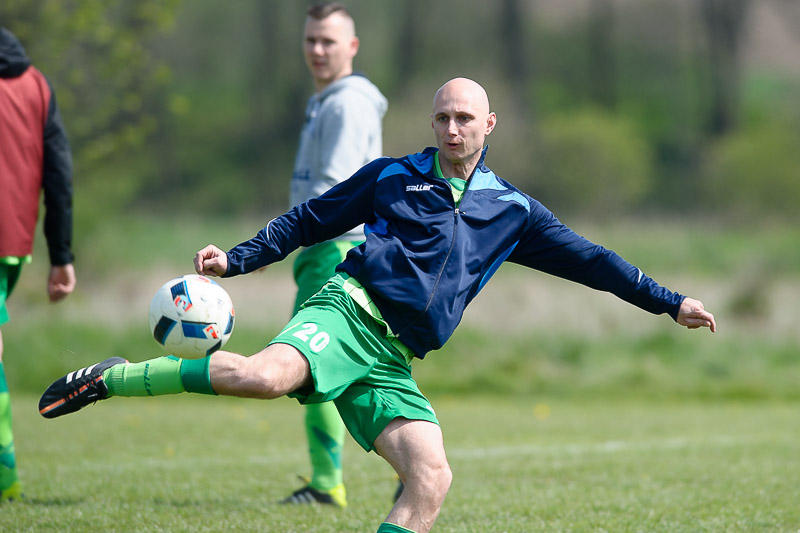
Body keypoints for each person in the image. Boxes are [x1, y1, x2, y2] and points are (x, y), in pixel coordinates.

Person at [39, 77, 716, 533]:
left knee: (431, 477)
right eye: (442, 117)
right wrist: (237, 259)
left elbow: (595, 261)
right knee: (265, 377)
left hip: (393, 357)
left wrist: (670, 301)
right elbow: (310, 219)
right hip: (348, 309)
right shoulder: (393, 175)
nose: (452, 128)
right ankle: (114, 377)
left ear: (489, 124)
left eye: (464, 118)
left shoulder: (513, 211)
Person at [280, 2, 387, 508]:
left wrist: (283, 237)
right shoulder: (327, 101)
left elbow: (333, 192)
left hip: (332, 247)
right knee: (355, 366)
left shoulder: (346, 105)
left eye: (329, 40)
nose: (318, 50)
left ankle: (326, 484)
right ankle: (409, 466)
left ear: (353, 46)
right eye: (311, 40)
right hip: (333, 246)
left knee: (309, 362)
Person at [0, 27, 76, 503]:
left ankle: (4, 474)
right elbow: (59, 173)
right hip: (13, 241)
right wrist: (61, 255)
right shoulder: (35, 85)